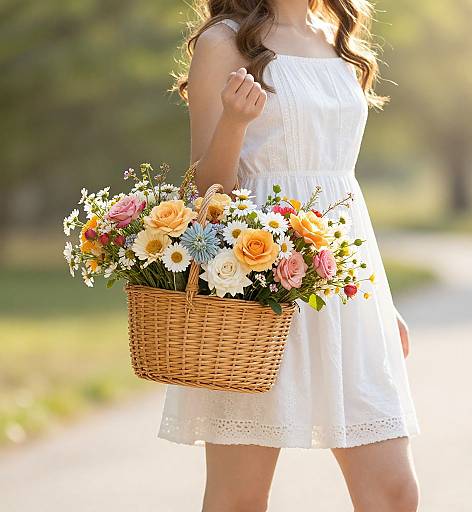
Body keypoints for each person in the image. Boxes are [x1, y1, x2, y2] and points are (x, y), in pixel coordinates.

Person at [158, 2, 421, 511]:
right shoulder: (225, 41)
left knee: (393, 492)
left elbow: (337, 180)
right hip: (256, 285)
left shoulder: (336, 35)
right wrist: (235, 121)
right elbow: (207, 194)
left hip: (344, 281)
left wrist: (374, 299)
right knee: (240, 499)